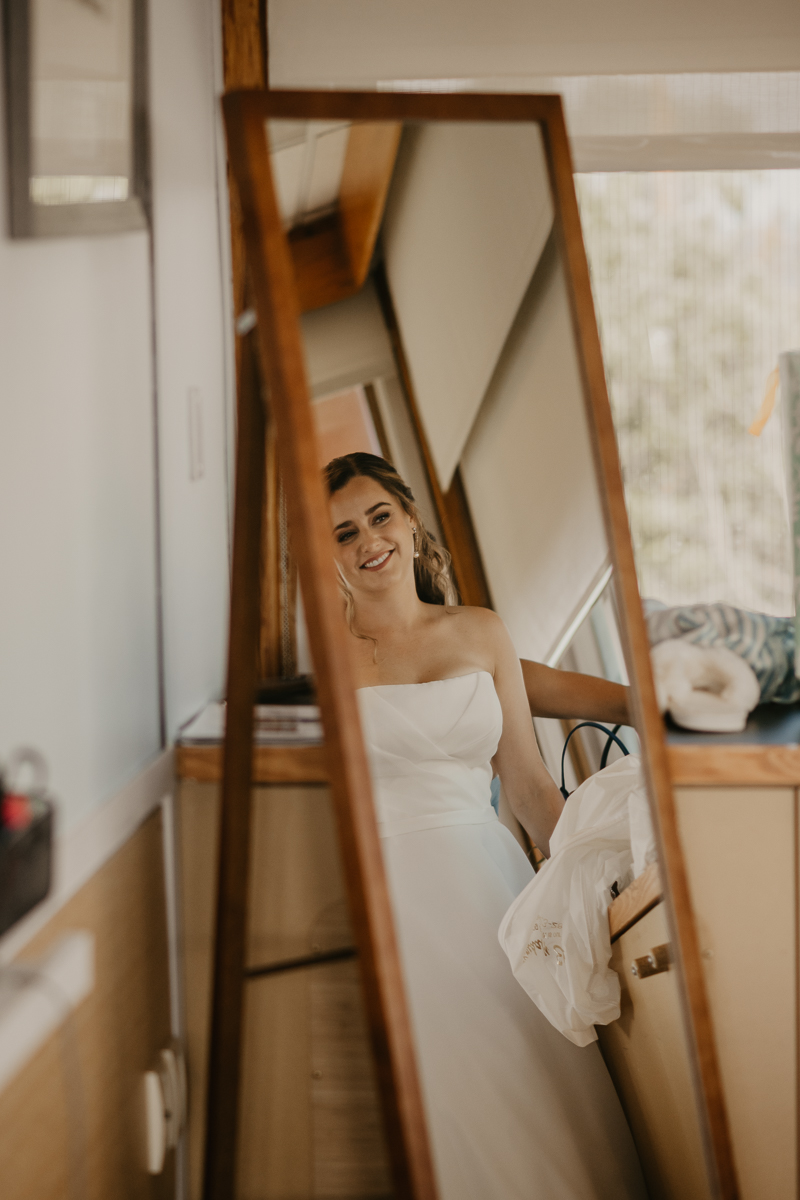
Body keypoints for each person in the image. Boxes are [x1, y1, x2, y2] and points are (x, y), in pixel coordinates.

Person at [326, 452, 646, 1200]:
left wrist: (598, 879)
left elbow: (531, 787)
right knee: (447, 1106)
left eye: (379, 517)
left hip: (489, 886)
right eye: (344, 532)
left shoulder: (479, 632)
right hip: (386, 906)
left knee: (535, 1087)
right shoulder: (323, 665)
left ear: (408, 519)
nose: (369, 540)